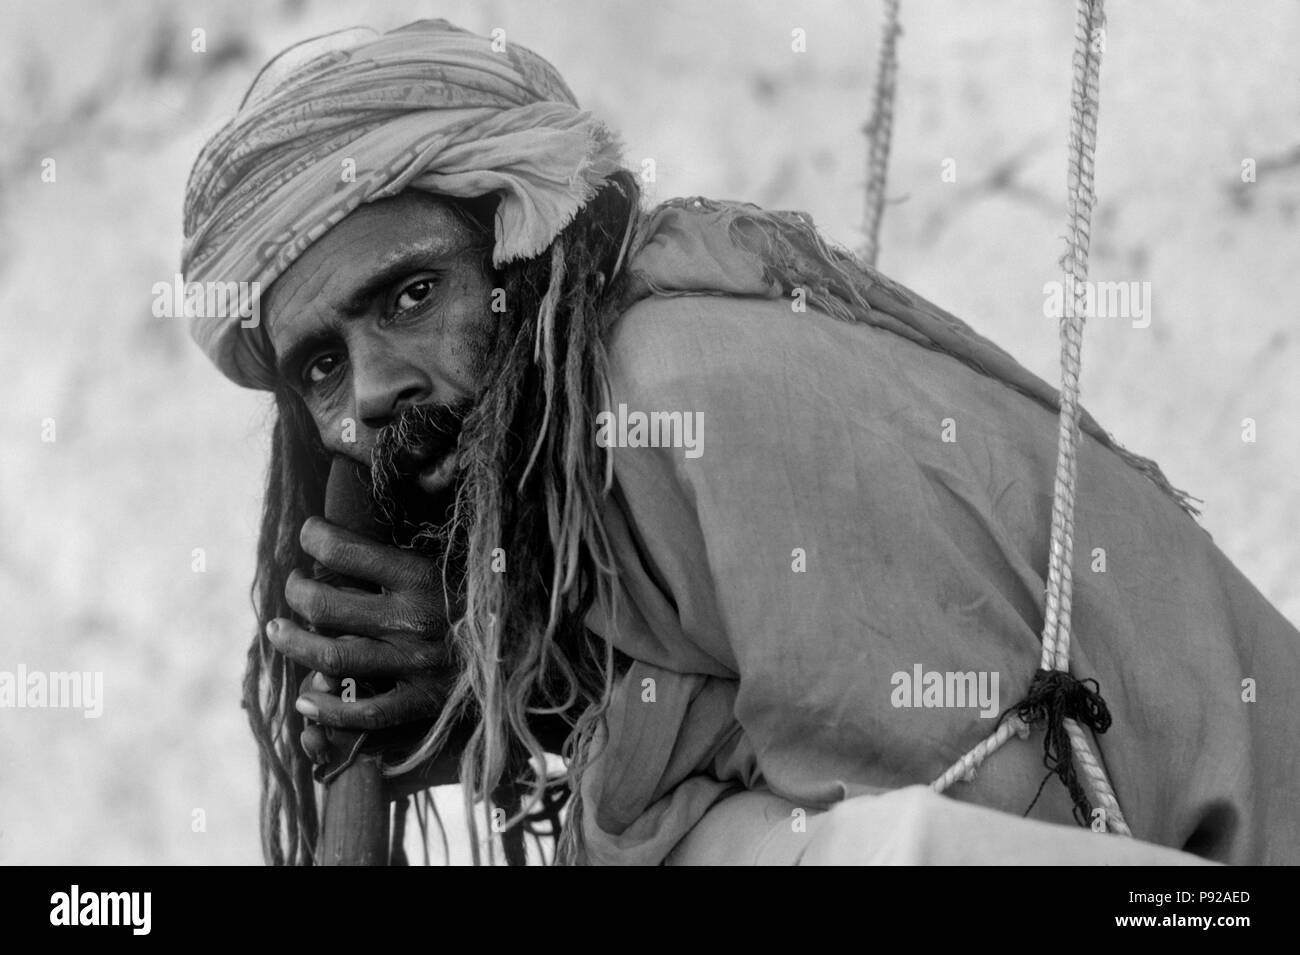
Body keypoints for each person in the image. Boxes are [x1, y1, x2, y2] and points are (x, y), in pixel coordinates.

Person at [181, 19, 1299, 865]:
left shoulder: (670, 390)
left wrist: (511, 662)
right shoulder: (586, 449)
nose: (368, 394)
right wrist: (526, 671)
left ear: (519, 255)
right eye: (318, 364)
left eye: (412, 294)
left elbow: (968, 809)